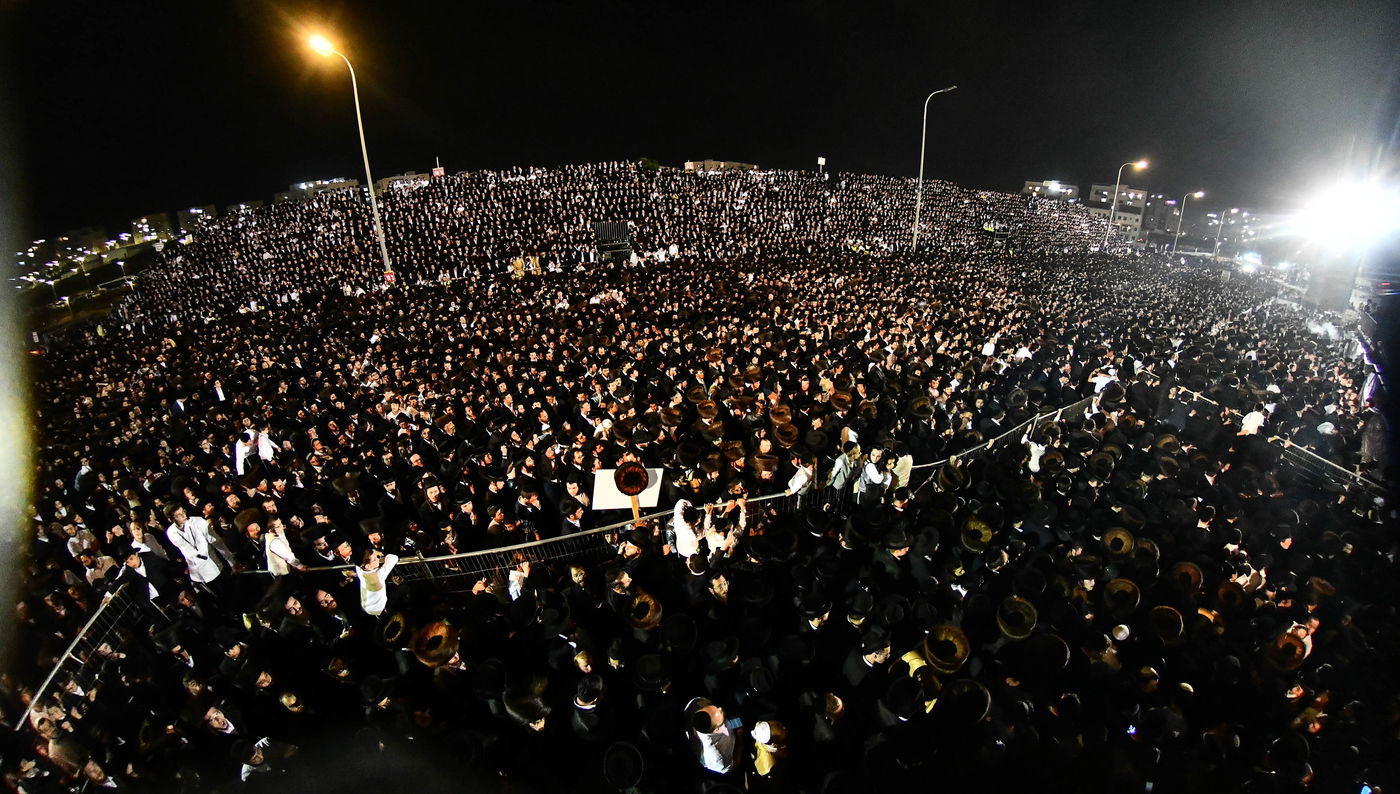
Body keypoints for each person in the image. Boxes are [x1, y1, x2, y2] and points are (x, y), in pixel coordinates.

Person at [353, 548, 400, 617]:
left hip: (365, 606)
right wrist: (379, 555)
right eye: (375, 559)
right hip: (378, 609)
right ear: (367, 566)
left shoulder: (359, 569)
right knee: (404, 588)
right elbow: (393, 558)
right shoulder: (378, 576)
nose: (378, 559)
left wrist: (374, 553)